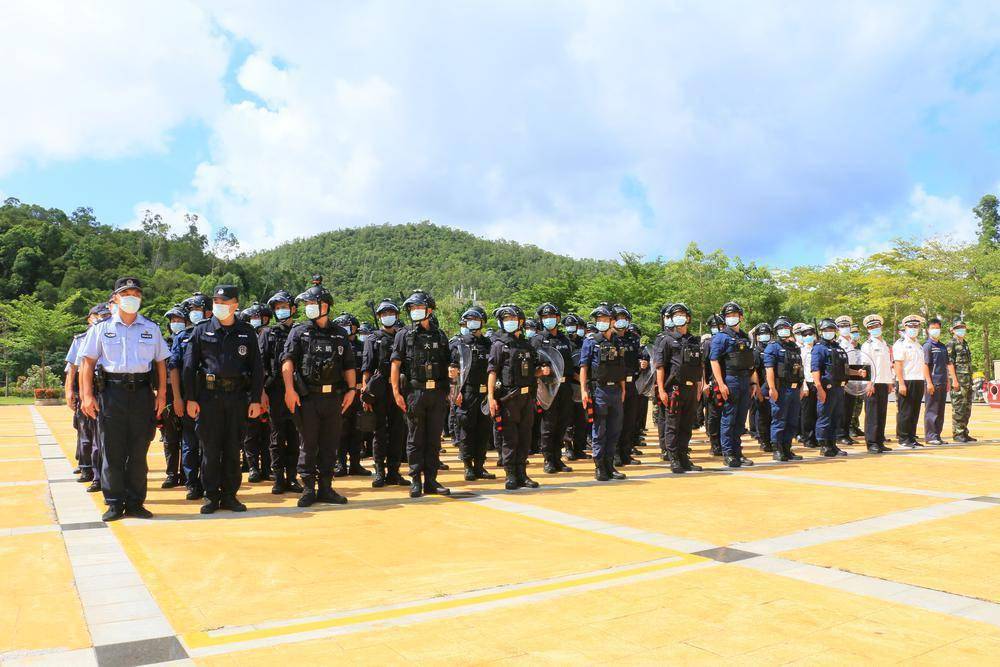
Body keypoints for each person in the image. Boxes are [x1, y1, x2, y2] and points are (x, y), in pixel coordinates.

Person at [78, 277, 170, 521]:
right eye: (126, 294)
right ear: (115, 298)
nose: (132, 298)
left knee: (139, 450)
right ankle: (115, 503)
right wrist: (86, 395)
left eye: (136, 294)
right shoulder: (101, 328)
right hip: (111, 394)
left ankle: (136, 502)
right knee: (112, 450)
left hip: (142, 394)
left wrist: (162, 394)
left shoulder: (151, 328)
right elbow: (87, 363)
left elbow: (161, 363)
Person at [182, 285, 264, 514]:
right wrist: (190, 398)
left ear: (235, 305)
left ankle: (229, 496)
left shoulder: (246, 332)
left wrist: (255, 399)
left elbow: (257, 368)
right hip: (209, 397)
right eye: (216, 301)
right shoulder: (202, 330)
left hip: (237, 398)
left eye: (224, 302)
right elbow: (189, 367)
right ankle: (211, 496)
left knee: (232, 448)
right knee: (210, 449)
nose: (219, 305)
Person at [280, 281, 356, 507]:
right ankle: (308, 489)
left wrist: (352, 390)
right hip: (308, 398)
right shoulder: (299, 332)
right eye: (307, 303)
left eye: (313, 302)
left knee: (330, 444)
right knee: (308, 444)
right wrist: (289, 390)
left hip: (333, 397)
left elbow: (349, 365)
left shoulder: (339, 334)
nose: (309, 307)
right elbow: (287, 362)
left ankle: (326, 488)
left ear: (326, 305)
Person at [391, 290, 452, 498]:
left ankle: (431, 480)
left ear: (430, 310)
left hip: (437, 392)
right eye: (412, 308)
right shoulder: (404, 334)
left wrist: (452, 378)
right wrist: (396, 392)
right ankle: (415, 479)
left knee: (434, 438)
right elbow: (395, 364)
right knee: (415, 438)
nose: (415, 311)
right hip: (415, 392)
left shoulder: (440, 335)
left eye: (419, 307)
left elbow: (449, 362)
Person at [488, 304, 550, 490]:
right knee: (510, 437)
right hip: (509, 398)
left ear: (521, 321)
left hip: (527, 397)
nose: (509, 322)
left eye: (513, 319)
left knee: (525, 436)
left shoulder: (527, 345)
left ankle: (522, 473)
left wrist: (542, 371)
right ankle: (511, 475)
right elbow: (492, 371)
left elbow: (533, 371)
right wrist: (490, 397)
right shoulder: (499, 345)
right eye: (506, 319)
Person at [258, 290, 303, 494]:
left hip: (297, 390)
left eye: (284, 307)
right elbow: (260, 364)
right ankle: (278, 478)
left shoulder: (301, 331)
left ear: (293, 309)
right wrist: (261, 392)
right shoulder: (268, 333)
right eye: (277, 308)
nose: (280, 311)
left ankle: (292, 477)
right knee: (276, 436)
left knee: (294, 435)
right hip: (274, 390)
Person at [362, 299, 409, 488]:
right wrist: (365, 394)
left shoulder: (402, 337)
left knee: (398, 431)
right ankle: (379, 471)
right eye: (384, 314)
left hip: (398, 390)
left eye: (391, 313)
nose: (387, 317)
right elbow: (367, 368)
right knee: (379, 431)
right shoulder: (373, 339)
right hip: (379, 389)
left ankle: (394, 471)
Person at [169, 292, 211, 500]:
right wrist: (177, 397)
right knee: (190, 443)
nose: (194, 313)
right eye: (191, 310)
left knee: (210, 444)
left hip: (212, 397)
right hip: (188, 397)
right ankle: (192, 483)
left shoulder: (215, 333)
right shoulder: (182, 337)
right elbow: (174, 368)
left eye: (197, 309)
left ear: (208, 312)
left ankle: (210, 482)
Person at [654, 303, 704, 473]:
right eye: (676, 315)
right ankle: (674, 458)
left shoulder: (694, 340)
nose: (679, 317)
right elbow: (660, 367)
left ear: (688, 318)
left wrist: (699, 386)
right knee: (673, 424)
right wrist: (661, 390)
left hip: (691, 388)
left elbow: (699, 366)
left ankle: (684, 457)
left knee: (687, 425)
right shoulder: (666, 340)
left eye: (682, 314)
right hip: (674, 389)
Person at [580, 303, 627, 481]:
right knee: (599, 430)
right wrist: (584, 390)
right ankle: (599, 466)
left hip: (615, 390)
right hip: (599, 389)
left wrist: (623, 389)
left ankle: (610, 465)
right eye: (599, 319)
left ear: (612, 321)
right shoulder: (591, 341)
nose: (601, 322)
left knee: (614, 430)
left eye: (605, 319)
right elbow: (584, 367)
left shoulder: (617, 341)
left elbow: (621, 367)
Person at [709, 301, 759, 468]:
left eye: (734, 315)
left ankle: (738, 452)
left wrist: (753, 382)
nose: (732, 318)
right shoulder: (720, 337)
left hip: (745, 380)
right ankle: (729, 453)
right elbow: (714, 361)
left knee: (740, 420)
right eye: (728, 316)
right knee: (729, 418)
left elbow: (750, 363)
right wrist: (721, 383)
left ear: (741, 317)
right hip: (730, 380)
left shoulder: (744, 337)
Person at [65, 304, 110, 489]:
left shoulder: (113, 335)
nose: (102, 318)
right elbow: (73, 368)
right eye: (98, 315)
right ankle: (86, 468)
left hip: (106, 390)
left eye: (106, 315)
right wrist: (70, 391)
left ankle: (99, 476)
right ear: (90, 318)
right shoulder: (82, 339)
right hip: (86, 390)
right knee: (85, 433)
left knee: (102, 437)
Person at [449, 307, 496, 481]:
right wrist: (455, 392)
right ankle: (468, 465)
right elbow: (452, 370)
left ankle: (479, 466)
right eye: (469, 320)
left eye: (476, 319)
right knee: (467, 430)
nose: (472, 323)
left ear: (482, 322)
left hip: (484, 393)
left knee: (483, 430)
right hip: (467, 392)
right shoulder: (459, 343)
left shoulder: (489, 344)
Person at [531, 303, 575, 475]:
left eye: (551, 316)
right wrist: (540, 370)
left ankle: (557, 458)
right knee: (548, 424)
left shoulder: (564, 339)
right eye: (545, 317)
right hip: (547, 386)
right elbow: (531, 366)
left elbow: (570, 364)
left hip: (565, 386)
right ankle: (548, 459)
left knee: (562, 423)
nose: (548, 319)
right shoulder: (537, 339)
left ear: (558, 318)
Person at [333, 312, 371, 477]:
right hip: (340, 393)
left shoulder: (363, 346)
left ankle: (355, 464)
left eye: (348, 326)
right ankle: (341, 464)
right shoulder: (336, 345)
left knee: (358, 429)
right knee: (340, 430)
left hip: (358, 392)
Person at [763, 317, 804, 462]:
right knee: (779, 419)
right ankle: (777, 449)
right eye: (781, 328)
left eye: (786, 327)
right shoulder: (772, 347)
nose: (784, 330)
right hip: (781, 389)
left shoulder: (794, 347)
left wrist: (801, 387)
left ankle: (787, 448)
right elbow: (769, 369)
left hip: (794, 388)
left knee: (792, 420)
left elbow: (799, 369)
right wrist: (772, 388)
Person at [239, 302, 271, 481]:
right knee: (250, 433)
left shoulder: (269, 336)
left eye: (259, 317)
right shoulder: (243, 337)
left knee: (267, 432)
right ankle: (252, 467)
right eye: (253, 317)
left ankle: (267, 468)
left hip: (267, 389)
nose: (256, 320)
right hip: (248, 391)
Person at [159, 304, 188, 488]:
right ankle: (171, 474)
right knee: (170, 437)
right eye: (173, 321)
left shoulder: (191, 341)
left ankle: (186, 474)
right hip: (168, 395)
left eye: (179, 320)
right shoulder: (163, 344)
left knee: (188, 437)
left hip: (188, 392)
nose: (175, 323)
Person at [810, 319, 848, 458]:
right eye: (826, 330)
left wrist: (858, 372)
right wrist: (819, 388)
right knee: (825, 417)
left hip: (839, 387)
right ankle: (824, 445)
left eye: (831, 330)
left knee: (836, 417)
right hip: (827, 388)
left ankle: (832, 444)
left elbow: (844, 368)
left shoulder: (838, 347)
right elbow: (815, 369)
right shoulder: (819, 348)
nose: (829, 332)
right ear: (821, 332)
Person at [612, 305, 643, 466]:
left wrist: (642, 362)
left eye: (624, 318)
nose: (621, 321)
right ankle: (615, 454)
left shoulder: (633, 338)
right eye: (618, 318)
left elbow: (639, 355)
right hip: (616, 384)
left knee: (630, 421)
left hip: (632, 383)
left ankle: (626, 453)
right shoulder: (610, 339)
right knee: (617, 421)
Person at [922, 317, 958, 446]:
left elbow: (946, 364)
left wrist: (948, 381)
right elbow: (925, 365)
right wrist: (929, 382)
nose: (935, 330)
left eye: (937, 328)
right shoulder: (927, 346)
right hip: (933, 382)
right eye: (933, 328)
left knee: (940, 411)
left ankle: (937, 435)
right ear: (928, 330)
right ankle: (930, 436)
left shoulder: (942, 346)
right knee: (931, 410)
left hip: (942, 382)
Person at [860, 314, 893, 454]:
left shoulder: (885, 344)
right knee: (872, 414)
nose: (874, 329)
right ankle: (872, 442)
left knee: (881, 413)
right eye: (871, 327)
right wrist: (869, 383)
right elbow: (865, 365)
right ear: (868, 330)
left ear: (881, 326)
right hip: (872, 383)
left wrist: (890, 382)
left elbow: (886, 365)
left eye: (876, 326)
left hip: (883, 382)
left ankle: (879, 441)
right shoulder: (867, 345)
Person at [892, 314, 926, 448]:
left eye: (916, 326)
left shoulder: (918, 344)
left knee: (914, 411)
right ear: (905, 327)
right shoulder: (901, 344)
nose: (914, 328)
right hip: (906, 380)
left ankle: (911, 437)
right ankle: (903, 438)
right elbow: (898, 365)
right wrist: (901, 383)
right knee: (905, 411)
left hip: (918, 380)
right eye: (911, 326)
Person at [563, 314, 591, 461]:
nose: (575, 329)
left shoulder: (585, 342)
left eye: (579, 326)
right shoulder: (564, 342)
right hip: (570, 385)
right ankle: (568, 448)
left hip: (583, 387)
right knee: (568, 420)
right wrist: (577, 377)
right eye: (572, 326)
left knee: (582, 420)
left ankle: (579, 449)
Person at [948, 318, 977, 443]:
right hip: (959, 381)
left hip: (967, 381)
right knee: (958, 407)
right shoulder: (952, 343)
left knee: (967, 408)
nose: (961, 330)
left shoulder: (965, 343)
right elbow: (949, 363)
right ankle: (958, 433)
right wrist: (954, 380)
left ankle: (964, 432)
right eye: (958, 328)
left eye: (963, 327)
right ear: (953, 330)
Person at [701, 314, 725, 456]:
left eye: (720, 326)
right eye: (714, 326)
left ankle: (725, 442)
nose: (717, 328)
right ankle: (715, 443)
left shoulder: (726, 340)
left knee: (726, 415)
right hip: (712, 383)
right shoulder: (707, 343)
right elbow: (703, 365)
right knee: (713, 415)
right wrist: (704, 383)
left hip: (727, 382)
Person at [750, 323, 774, 453]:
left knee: (773, 416)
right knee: (763, 416)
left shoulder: (773, 349)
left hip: (772, 387)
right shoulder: (756, 352)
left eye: (767, 334)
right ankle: (764, 440)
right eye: (761, 334)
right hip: (761, 387)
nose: (764, 336)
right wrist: (758, 389)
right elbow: (754, 372)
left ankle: (772, 439)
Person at [834, 315, 858, 446]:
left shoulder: (850, 343)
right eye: (842, 326)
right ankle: (840, 434)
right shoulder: (838, 343)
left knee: (849, 408)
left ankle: (846, 432)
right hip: (842, 380)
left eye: (847, 326)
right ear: (838, 329)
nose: (845, 328)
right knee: (842, 408)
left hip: (852, 379)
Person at [797, 323, 819, 448]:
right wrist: (804, 385)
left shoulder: (818, 348)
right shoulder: (801, 351)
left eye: (810, 334)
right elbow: (801, 370)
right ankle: (808, 438)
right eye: (805, 335)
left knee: (818, 412)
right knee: (807, 413)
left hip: (818, 383)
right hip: (807, 383)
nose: (808, 336)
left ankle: (816, 437)